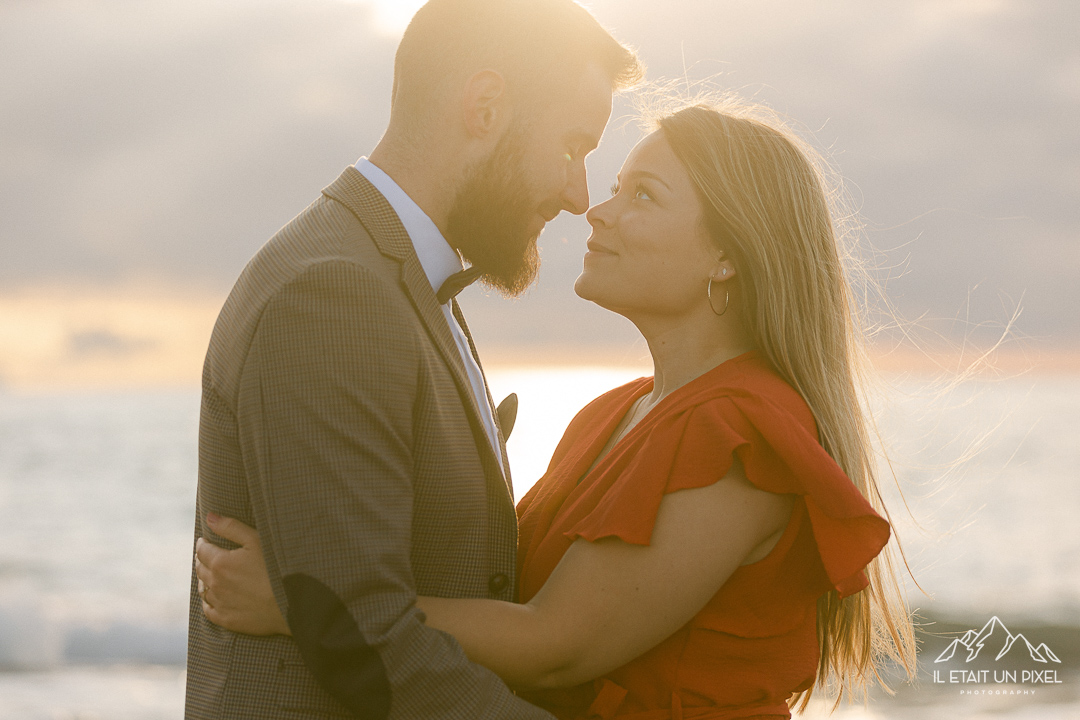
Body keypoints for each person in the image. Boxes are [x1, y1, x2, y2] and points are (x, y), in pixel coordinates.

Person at [196, 99, 918, 719]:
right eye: (614, 186)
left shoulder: (736, 432)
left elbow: (553, 644)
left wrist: (309, 607)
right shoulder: (612, 413)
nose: (594, 212)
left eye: (644, 196)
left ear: (727, 256)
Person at [185, 0, 642, 717]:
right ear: (486, 106)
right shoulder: (332, 292)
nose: (579, 194)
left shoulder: (407, 285)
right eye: (571, 148)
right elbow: (364, 643)